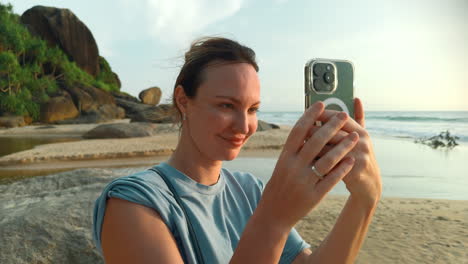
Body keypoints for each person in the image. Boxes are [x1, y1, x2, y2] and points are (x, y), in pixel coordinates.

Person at [92, 37, 382, 263]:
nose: (244, 126)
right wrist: (273, 221)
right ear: (183, 101)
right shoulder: (134, 203)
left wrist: (364, 201)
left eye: (253, 109)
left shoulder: (249, 191)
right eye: (226, 106)